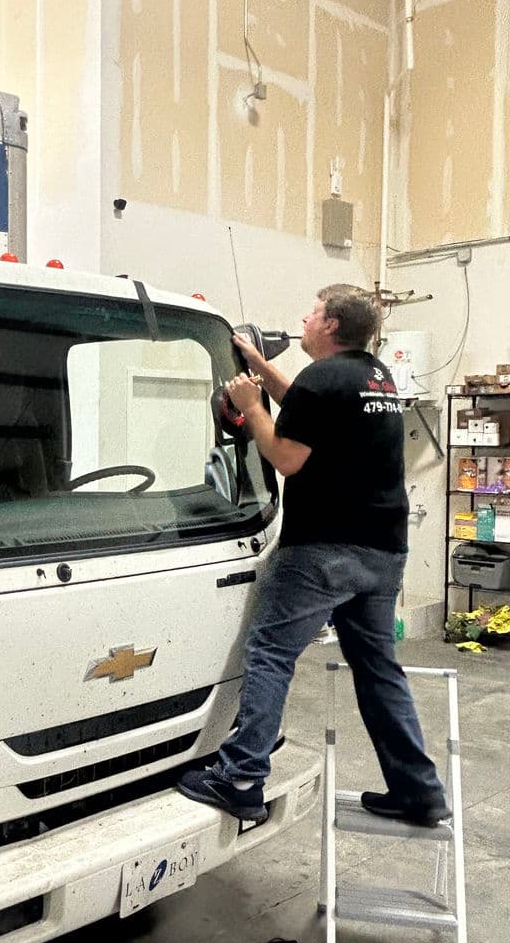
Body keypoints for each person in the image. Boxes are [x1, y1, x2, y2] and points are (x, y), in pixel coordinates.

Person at [177, 284, 449, 828]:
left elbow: (285, 455)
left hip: (323, 550)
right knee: (377, 669)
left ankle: (240, 776)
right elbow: (307, 406)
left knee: (271, 653)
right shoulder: (374, 376)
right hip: (382, 552)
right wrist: (258, 366)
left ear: (329, 325)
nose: (304, 317)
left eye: (313, 311)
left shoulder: (323, 379)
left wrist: (252, 407)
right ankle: (418, 792)